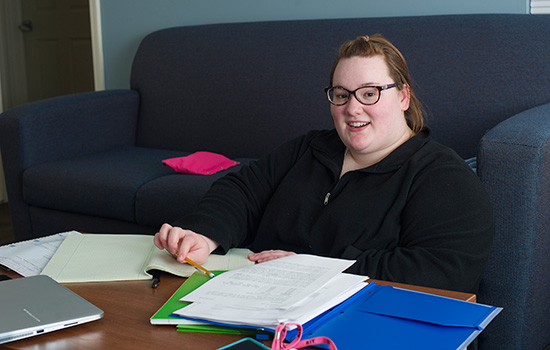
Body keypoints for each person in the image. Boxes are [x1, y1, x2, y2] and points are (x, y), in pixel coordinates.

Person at [154, 34, 494, 294]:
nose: (353, 108)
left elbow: (445, 271)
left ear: (403, 96)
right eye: (341, 94)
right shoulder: (311, 148)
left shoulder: (442, 177)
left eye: (369, 93)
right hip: (254, 299)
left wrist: (313, 268)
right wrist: (205, 233)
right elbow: (242, 189)